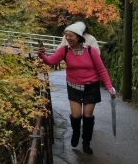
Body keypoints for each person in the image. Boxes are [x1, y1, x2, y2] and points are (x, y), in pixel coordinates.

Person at [38, 21, 116, 154]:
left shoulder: (91, 51)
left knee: (87, 115)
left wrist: (109, 87)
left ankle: (86, 142)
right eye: (66, 35)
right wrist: (41, 55)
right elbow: (51, 61)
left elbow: (102, 70)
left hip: (91, 87)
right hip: (73, 87)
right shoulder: (65, 50)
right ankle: (75, 133)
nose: (67, 38)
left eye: (70, 36)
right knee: (76, 115)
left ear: (79, 37)